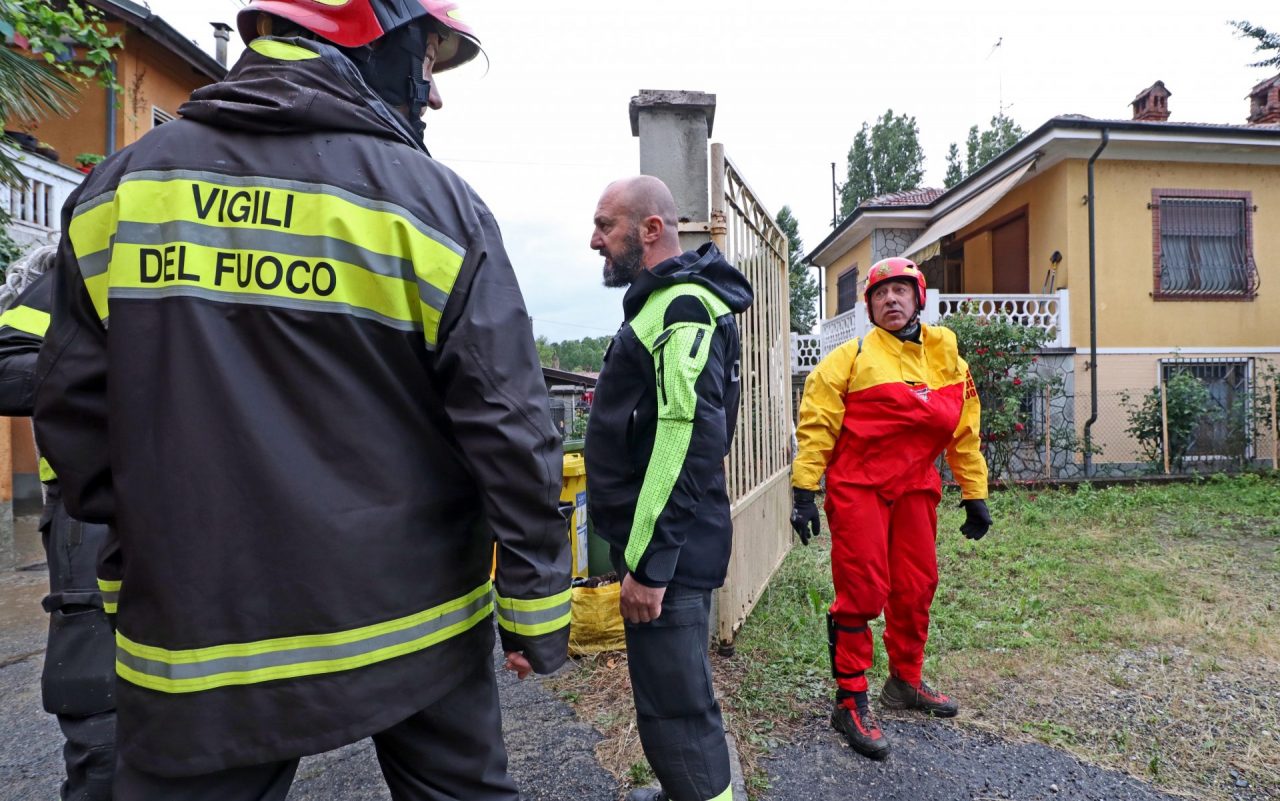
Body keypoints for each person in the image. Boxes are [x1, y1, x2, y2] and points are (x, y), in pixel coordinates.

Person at [33, 1, 571, 798]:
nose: (433, 91)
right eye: (429, 58)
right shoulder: (433, 206)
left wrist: (141, 568)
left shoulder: (121, 192)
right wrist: (534, 608)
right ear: (371, 35)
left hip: (201, 640)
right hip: (414, 628)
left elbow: (75, 416)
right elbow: (510, 422)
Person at [585, 176, 753, 801]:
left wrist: (652, 565)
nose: (594, 240)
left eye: (605, 225)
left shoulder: (682, 308)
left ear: (650, 229)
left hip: (668, 557)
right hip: (665, 547)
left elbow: (686, 439)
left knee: (676, 711)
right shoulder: (664, 304)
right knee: (668, 699)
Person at [790, 256, 991, 761]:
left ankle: (905, 681)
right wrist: (804, 490)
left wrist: (975, 493)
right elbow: (817, 424)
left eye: (900, 290)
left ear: (918, 297)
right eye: (880, 294)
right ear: (870, 307)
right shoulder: (851, 358)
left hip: (916, 488)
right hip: (859, 487)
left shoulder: (950, 359)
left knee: (917, 586)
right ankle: (849, 699)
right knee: (862, 591)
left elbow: (964, 431)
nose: (890, 299)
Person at [0, 247, 115, 801]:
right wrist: (130, 374)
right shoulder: (75, 273)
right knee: (103, 707)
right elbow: (6, 364)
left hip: (201, 505)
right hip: (93, 507)